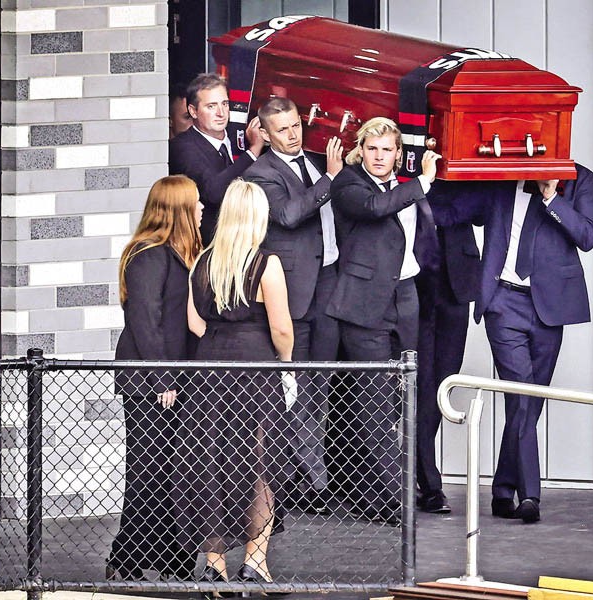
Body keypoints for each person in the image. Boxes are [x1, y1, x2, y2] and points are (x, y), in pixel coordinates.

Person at [428, 164, 593, 524]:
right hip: (503, 302)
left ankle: (504, 488)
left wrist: (551, 197)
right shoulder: (501, 174)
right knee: (521, 394)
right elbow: (454, 211)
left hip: (551, 305)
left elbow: (587, 236)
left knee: (530, 402)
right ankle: (530, 494)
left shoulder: (579, 178)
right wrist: (416, 186)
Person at [175, 179, 294, 591]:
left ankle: (214, 565)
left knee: (211, 462)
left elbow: (194, 322)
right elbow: (281, 328)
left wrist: (219, 339)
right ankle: (255, 562)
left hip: (209, 368)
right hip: (255, 370)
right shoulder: (266, 264)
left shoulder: (202, 262)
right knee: (259, 463)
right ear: (258, 217)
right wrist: (286, 363)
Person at [326, 116, 441, 525]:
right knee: (373, 401)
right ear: (361, 150)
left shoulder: (402, 186)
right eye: (372, 148)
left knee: (401, 399)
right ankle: (395, 499)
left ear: (398, 153)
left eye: (387, 149)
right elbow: (375, 209)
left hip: (405, 296)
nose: (378, 156)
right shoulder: (348, 183)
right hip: (363, 304)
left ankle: (379, 494)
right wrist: (423, 181)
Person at [244, 97, 344, 515]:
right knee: (294, 390)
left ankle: (313, 476)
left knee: (321, 386)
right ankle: (300, 482)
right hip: (294, 293)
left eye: (296, 125)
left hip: (329, 283)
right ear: (265, 134)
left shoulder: (317, 161)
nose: (292, 134)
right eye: (282, 129)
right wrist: (332, 179)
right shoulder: (260, 173)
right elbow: (288, 214)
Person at [108, 174, 203, 581]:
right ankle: (127, 558)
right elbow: (145, 319)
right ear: (178, 209)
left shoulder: (182, 253)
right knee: (149, 470)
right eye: (196, 203)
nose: (202, 209)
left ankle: (172, 559)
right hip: (151, 383)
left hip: (177, 380)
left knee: (174, 471)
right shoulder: (148, 254)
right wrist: (163, 378)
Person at [413, 222, 480, 514]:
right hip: (413, 282)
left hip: (457, 282)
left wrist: (437, 206)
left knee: (443, 383)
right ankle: (430, 485)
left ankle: (419, 472)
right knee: (421, 386)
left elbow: (479, 209)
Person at [170, 73, 265, 245]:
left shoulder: (242, 136)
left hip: (251, 240)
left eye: (225, 104)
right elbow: (213, 191)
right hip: (212, 246)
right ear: (193, 111)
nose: (221, 113)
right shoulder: (182, 146)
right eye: (211, 106)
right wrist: (253, 152)